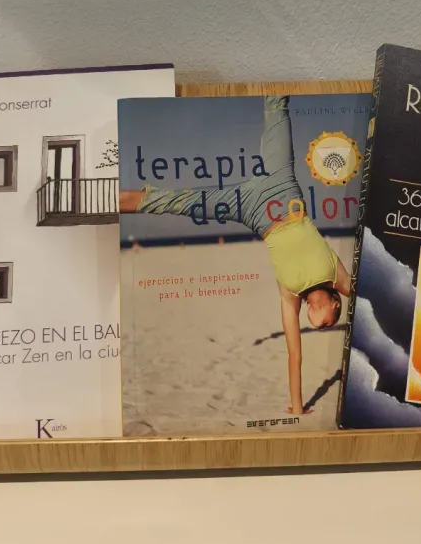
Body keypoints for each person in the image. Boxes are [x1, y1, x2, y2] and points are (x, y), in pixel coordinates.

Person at [120, 95, 351, 416]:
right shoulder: (336, 276)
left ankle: (118, 200)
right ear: (335, 304)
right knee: (277, 105)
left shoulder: (290, 295)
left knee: (178, 202)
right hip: (280, 182)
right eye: (328, 324)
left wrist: (298, 408)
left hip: (253, 211)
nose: (322, 328)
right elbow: (371, 299)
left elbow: (294, 354)